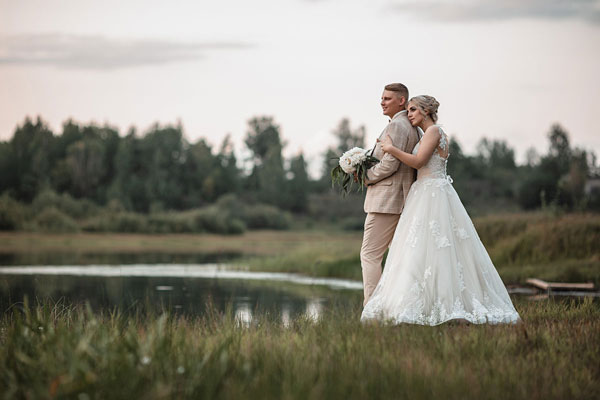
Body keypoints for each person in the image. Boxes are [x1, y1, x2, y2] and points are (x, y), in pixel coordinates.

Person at [361, 95, 520, 325]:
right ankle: (422, 301)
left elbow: (417, 162)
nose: (410, 114)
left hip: (431, 193)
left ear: (426, 111)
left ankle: (440, 303)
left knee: (434, 248)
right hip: (427, 190)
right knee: (423, 250)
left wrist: (391, 149)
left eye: (413, 110)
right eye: (408, 110)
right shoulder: (429, 134)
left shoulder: (434, 131)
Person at [360, 83, 420, 306]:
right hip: (401, 199)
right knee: (398, 258)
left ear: (402, 101)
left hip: (387, 201)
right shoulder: (412, 126)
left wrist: (365, 177)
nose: (382, 102)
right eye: (382, 98)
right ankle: (399, 306)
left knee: (370, 255)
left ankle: (372, 308)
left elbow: (389, 165)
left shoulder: (397, 126)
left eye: (387, 98)